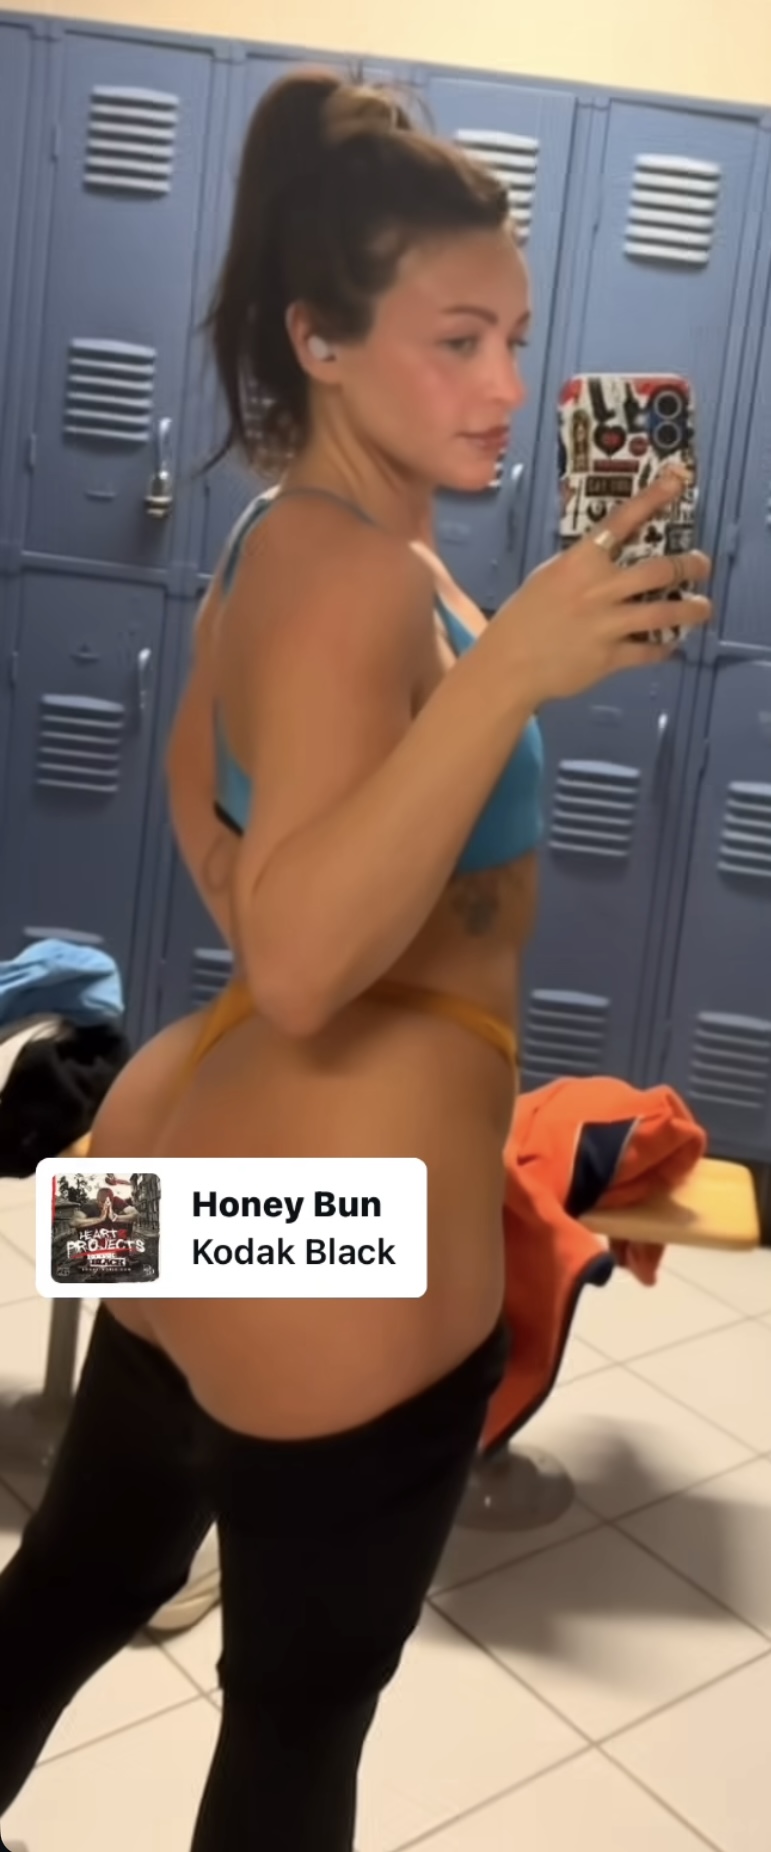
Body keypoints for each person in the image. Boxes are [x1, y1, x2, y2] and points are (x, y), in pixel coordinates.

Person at [0, 69, 712, 1850]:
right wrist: (510, 674)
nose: (505, 388)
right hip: (339, 1242)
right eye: (455, 340)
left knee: (64, 1596)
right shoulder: (375, 583)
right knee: (297, 1727)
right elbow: (316, 968)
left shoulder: (283, 538)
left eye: (515, 340)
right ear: (319, 340)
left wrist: (488, 688)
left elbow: (211, 826)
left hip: (164, 1188)